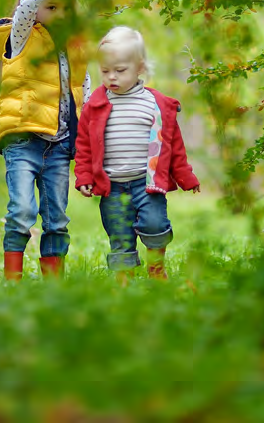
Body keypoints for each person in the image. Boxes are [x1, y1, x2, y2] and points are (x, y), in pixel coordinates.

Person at [0, 0, 98, 280]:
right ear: (34, 9)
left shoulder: (75, 47)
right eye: (52, 7)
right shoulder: (20, 36)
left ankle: (54, 285)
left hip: (60, 145)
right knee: (22, 211)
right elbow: (28, 2)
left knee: (57, 219)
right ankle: (13, 281)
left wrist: (88, 152)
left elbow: (85, 93)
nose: (60, 14)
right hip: (24, 139)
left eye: (66, 8)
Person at [75, 26, 200, 283]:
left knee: (155, 224)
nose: (112, 77)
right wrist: (84, 175)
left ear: (140, 67)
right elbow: (84, 145)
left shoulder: (156, 104)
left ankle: (156, 267)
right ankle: (124, 277)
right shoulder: (95, 105)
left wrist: (185, 177)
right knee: (118, 233)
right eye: (105, 71)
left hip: (147, 183)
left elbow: (174, 145)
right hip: (112, 186)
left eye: (120, 70)